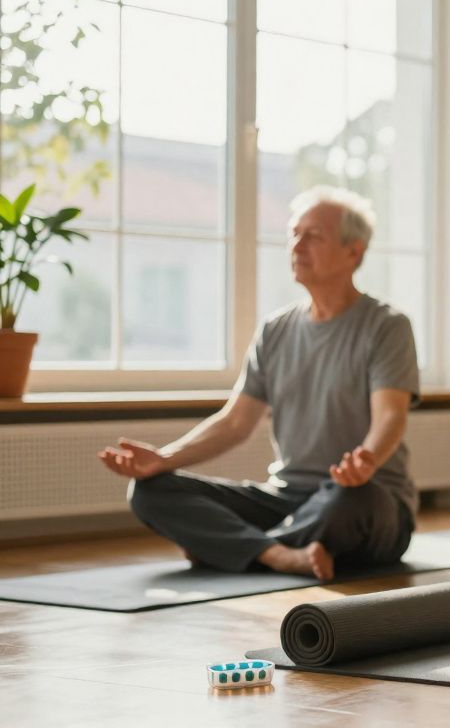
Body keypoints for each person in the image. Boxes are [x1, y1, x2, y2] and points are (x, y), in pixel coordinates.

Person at [97, 186, 420, 581]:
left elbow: (391, 416)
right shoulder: (275, 330)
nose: (297, 246)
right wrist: (164, 459)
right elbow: (235, 423)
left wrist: (367, 459)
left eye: (313, 236)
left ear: (354, 252)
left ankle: (234, 547)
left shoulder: (387, 326)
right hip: (285, 498)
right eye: (294, 234)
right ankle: (280, 554)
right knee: (149, 492)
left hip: (363, 498)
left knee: (352, 501)